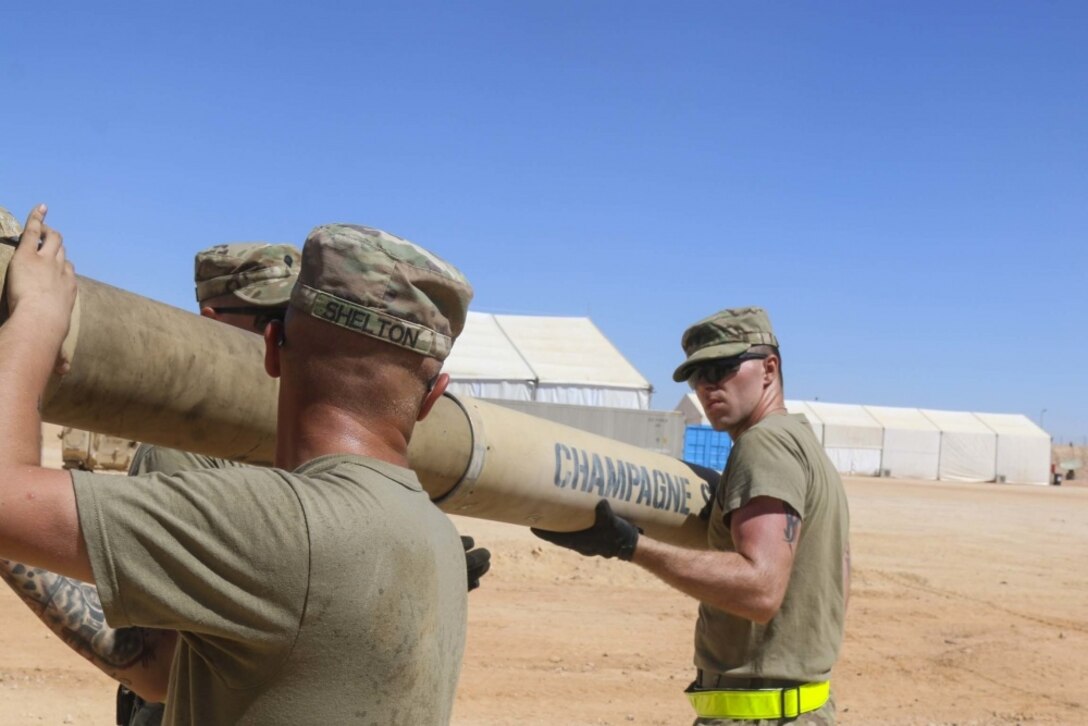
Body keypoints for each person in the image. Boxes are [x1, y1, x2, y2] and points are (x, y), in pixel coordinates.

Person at [0, 205, 477, 724]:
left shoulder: (277, 524)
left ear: (273, 350)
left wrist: (36, 325)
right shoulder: (438, 538)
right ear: (433, 398)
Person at [533, 306, 850, 725]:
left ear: (769, 369)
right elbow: (840, 574)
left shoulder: (764, 445)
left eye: (721, 368)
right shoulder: (803, 443)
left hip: (759, 715)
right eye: (697, 375)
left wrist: (630, 546)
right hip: (800, 706)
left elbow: (760, 589)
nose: (706, 386)